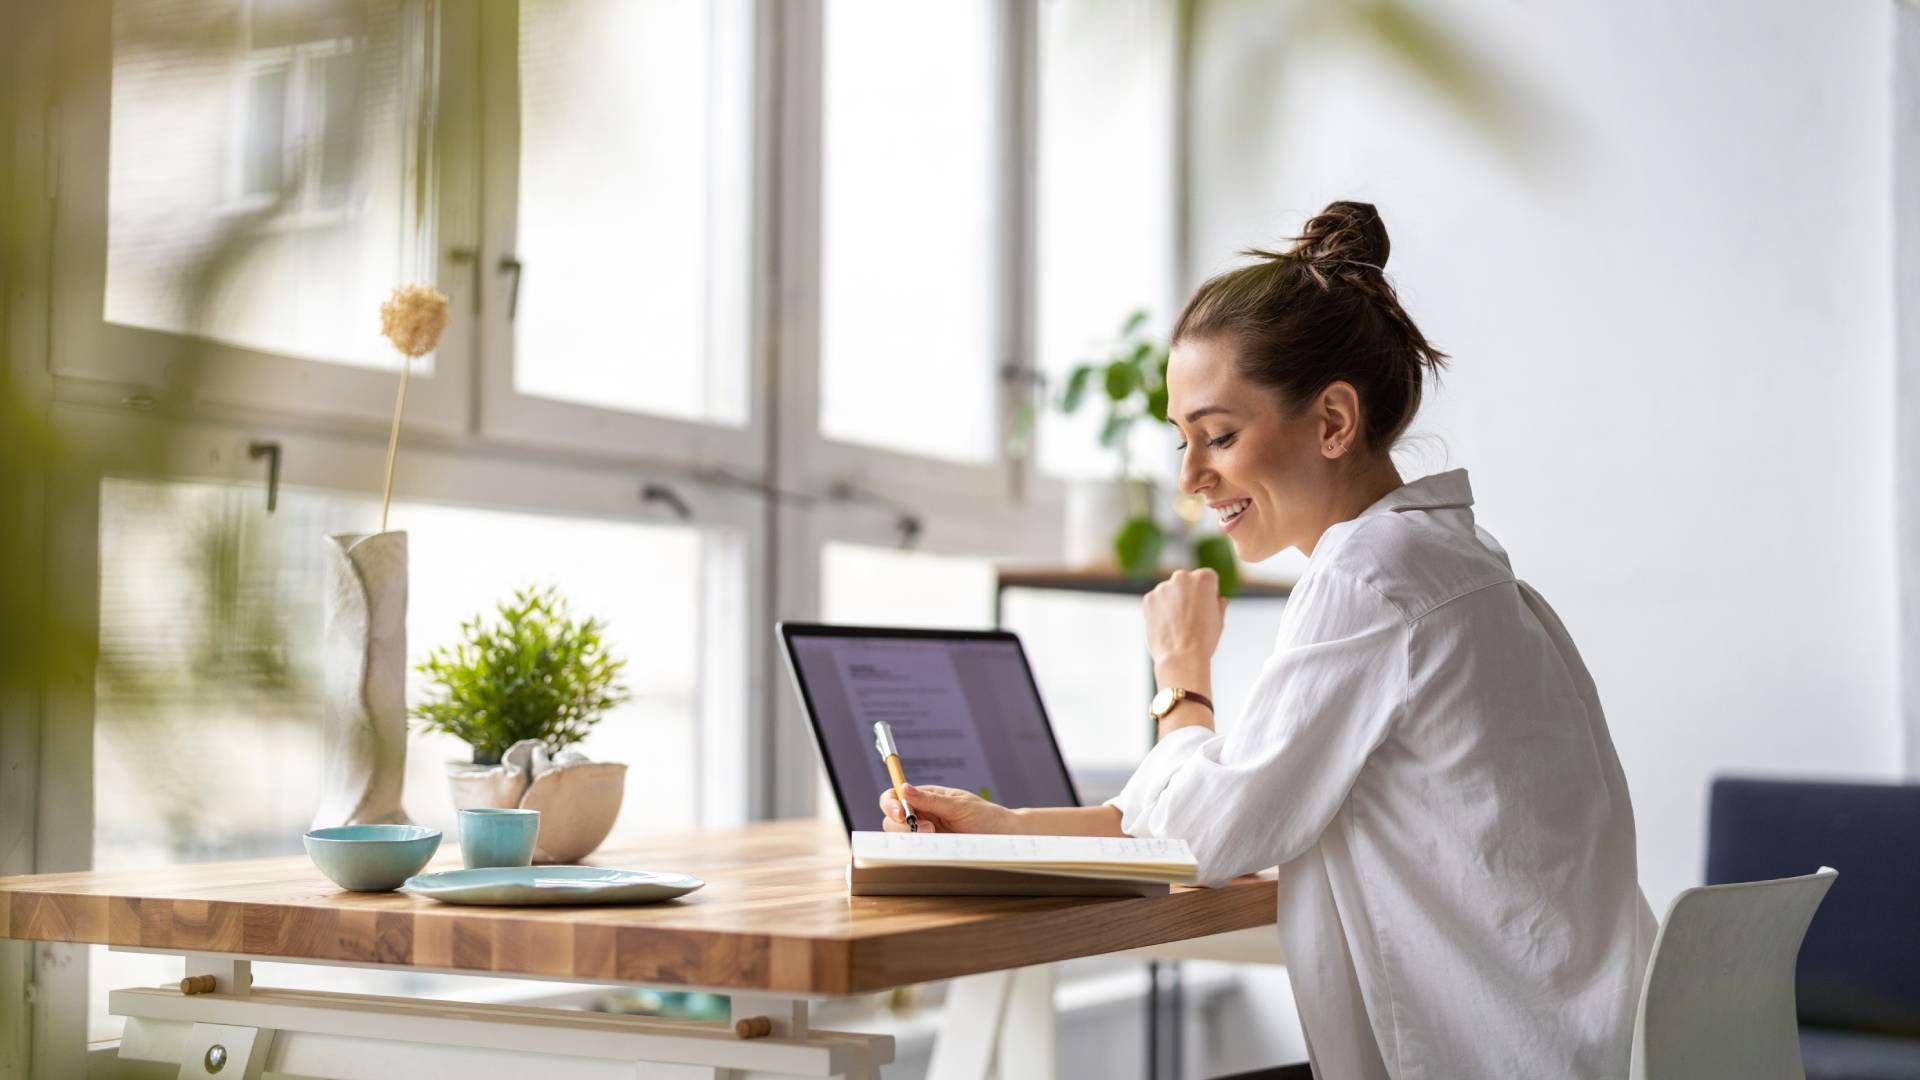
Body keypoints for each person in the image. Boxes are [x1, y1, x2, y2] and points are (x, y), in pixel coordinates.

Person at [879, 201, 1656, 1079]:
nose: (1190, 476)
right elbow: (1234, 803)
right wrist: (1011, 828)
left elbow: (1206, 837)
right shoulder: (1453, 562)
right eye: (1180, 440)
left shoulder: (1369, 579)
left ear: (1332, 422)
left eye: (1218, 435)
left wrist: (1180, 676)